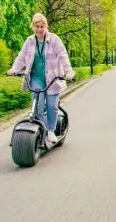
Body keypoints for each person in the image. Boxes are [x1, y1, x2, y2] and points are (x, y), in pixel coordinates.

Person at [7, 12, 75, 144]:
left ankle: (50, 130)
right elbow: (21, 56)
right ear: (33, 26)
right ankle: (43, 129)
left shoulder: (54, 39)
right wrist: (14, 69)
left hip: (52, 78)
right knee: (38, 106)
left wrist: (69, 71)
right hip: (36, 78)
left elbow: (63, 55)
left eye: (42, 26)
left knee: (51, 106)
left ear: (46, 26)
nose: (39, 29)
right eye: (36, 26)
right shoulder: (30, 41)